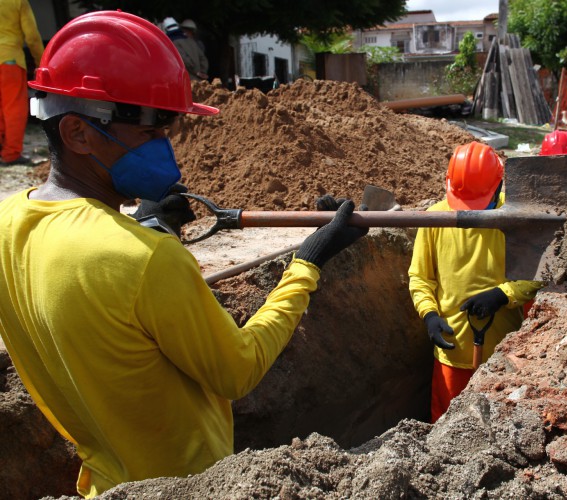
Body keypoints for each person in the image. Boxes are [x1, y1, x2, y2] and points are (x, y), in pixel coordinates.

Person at [0, 11, 366, 498]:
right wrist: (309, 261)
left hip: (105, 484)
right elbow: (237, 371)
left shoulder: (7, 223)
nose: (165, 146)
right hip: (189, 486)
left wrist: (142, 225)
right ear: (77, 133)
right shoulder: (146, 259)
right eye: (149, 130)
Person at [408, 141, 544, 424]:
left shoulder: (519, 219)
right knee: (443, 428)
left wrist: (503, 294)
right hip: (452, 352)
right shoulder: (435, 219)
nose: (469, 213)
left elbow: (540, 277)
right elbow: (420, 277)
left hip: (506, 356)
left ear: (499, 186)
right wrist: (429, 315)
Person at [0, 0, 44, 165]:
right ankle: (11, 154)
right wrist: (41, 62)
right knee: (14, 109)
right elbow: (32, 36)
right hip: (10, 60)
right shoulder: (18, 2)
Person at [163, 17, 209, 81]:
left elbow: (184, 60)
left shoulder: (173, 43)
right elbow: (203, 59)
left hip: (188, 81)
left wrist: (196, 72)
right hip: (199, 81)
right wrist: (202, 72)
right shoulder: (191, 41)